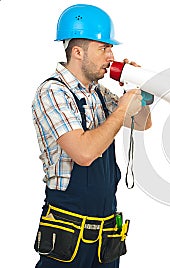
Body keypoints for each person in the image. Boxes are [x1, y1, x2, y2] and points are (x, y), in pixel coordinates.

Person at [32, 4, 151, 268]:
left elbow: (143, 123)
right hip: (67, 235)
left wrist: (138, 89)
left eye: (111, 48)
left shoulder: (99, 93)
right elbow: (84, 154)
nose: (111, 56)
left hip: (106, 236)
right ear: (78, 52)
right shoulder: (53, 93)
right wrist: (121, 109)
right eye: (104, 48)